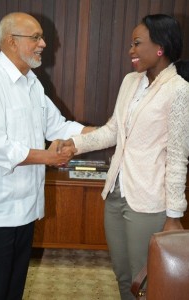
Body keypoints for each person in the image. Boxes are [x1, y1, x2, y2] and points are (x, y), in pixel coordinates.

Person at [57, 14, 189, 300]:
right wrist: (74, 144)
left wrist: (174, 214)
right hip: (116, 193)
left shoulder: (179, 90)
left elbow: (178, 155)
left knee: (146, 278)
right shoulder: (131, 81)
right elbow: (113, 130)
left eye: (137, 43)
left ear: (160, 47)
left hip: (149, 199)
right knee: (123, 275)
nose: (130, 50)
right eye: (130, 43)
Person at [0, 12, 93, 300]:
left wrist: (108, 132)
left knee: (12, 292)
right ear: (11, 41)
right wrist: (48, 158)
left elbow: (58, 126)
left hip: (25, 210)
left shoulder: (32, 83)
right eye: (35, 37)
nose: (43, 43)